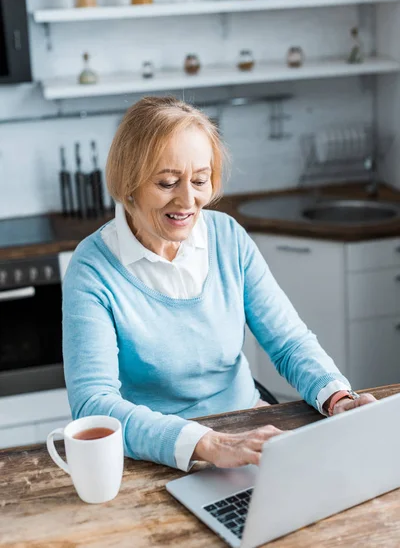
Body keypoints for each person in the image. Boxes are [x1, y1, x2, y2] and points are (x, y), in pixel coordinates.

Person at [63, 96, 376, 471]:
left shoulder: (228, 237)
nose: (188, 200)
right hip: (155, 454)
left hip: (246, 426)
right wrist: (207, 444)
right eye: (167, 182)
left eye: (199, 180)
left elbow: (289, 341)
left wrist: (336, 396)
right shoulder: (92, 268)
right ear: (128, 183)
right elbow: (93, 404)